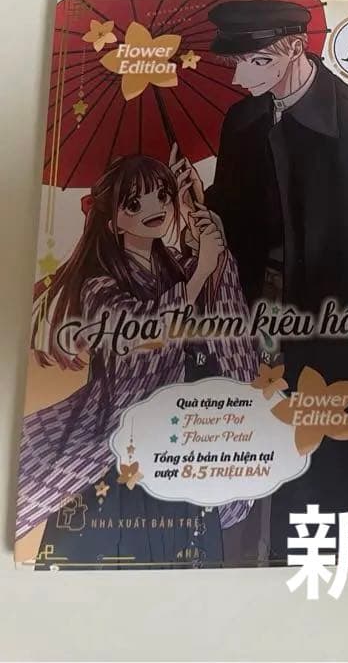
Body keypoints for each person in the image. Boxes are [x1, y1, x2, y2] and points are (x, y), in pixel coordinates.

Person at [177, 0, 348, 563]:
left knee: (345, 471)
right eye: (236, 63)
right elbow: (233, 219)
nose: (239, 78)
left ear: (293, 49)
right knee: (272, 467)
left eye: (256, 61)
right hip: (258, 331)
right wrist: (196, 205)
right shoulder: (242, 122)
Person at [17, 154, 257, 568]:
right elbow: (142, 330)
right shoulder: (98, 284)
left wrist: (205, 236)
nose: (154, 208)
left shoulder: (178, 268)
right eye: (134, 203)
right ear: (113, 222)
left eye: (162, 195)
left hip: (181, 442)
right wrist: (200, 274)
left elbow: (225, 323)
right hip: (120, 444)